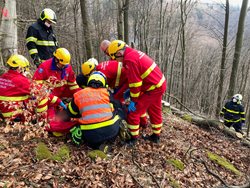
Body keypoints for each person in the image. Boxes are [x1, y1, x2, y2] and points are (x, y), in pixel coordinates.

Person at [108, 40, 167, 144]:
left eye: (117, 59)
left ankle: (133, 139)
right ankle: (156, 136)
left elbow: (135, 84)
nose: (118, 62)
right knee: (155, 110)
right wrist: (129, 91)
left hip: (153, 87)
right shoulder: (133, 53)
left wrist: (133, 100)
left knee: (134, 113)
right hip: (159, 83)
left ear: (119, 53)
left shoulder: (130, 60)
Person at [67, 71, 121, 149]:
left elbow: (71, 113)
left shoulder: (78, 94)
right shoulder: (107, 93)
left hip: (90, 135)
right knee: (118, 113)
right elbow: (117, 106)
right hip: (111, 132)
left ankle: (97, 146)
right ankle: (115, 138)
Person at [0, 54, 31, 121]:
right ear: (20, 68)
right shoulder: (21, 80)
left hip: (3, 113)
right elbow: (37, 92)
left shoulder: (2, 77)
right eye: (25, 69)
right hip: (14, 115)